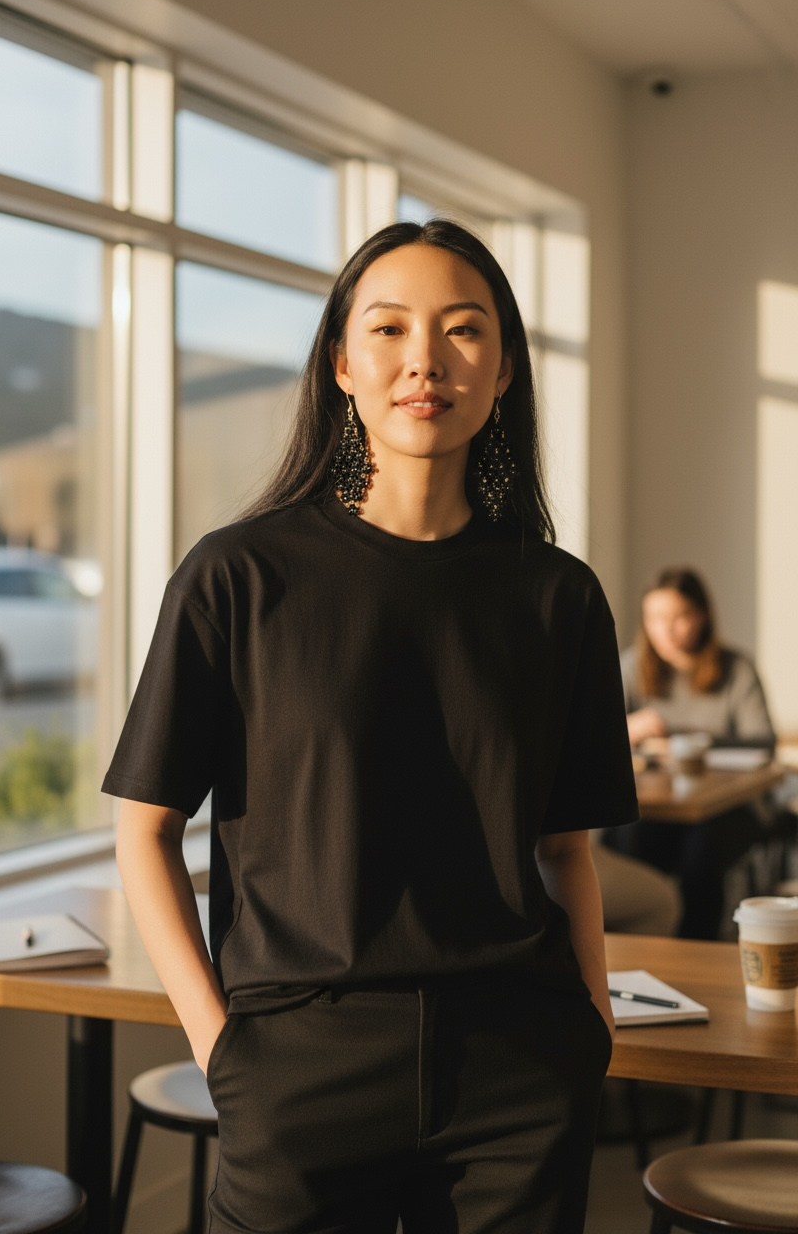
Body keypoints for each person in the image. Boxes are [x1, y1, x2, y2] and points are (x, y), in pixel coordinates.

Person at [103, 219, 638, 1234]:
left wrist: (591, 1029)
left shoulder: (556, 595)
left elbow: (566, 848)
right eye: (389, 330)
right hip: (301, 1067)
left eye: (463, 331)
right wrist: (226, 1051)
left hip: (519, 1066)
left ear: (506, 370)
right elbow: (144, 832)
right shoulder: (238, 577)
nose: (425, 361)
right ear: (342, 366)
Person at [606, 566, 776, 940]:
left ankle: (696, 949)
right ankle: (648, 953)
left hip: (729, 805)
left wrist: (685, 742)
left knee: (700, 855)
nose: (665, 630)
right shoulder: (633, 667)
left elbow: (763, 742)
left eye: (679, 617)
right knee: (629, 838)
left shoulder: (735, 669)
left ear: (702, 616)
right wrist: (628, 728)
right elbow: (595, 735)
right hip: (660, 805)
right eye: (655, 619)